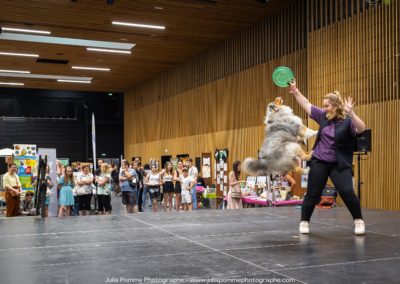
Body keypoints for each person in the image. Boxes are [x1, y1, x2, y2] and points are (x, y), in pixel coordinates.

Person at [289, 79, 366, 235]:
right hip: (320, 162)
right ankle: (304, 222)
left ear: (335, 106)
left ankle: (358, 221)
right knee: (312, 193)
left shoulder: (347, 121)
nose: (323, 108)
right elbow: (306, 104)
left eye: (326, 106)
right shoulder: (323, 116)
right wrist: (295, 91)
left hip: (339, 163)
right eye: (323, 106)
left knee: (347, 192)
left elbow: (361, 129)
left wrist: (352, 113)